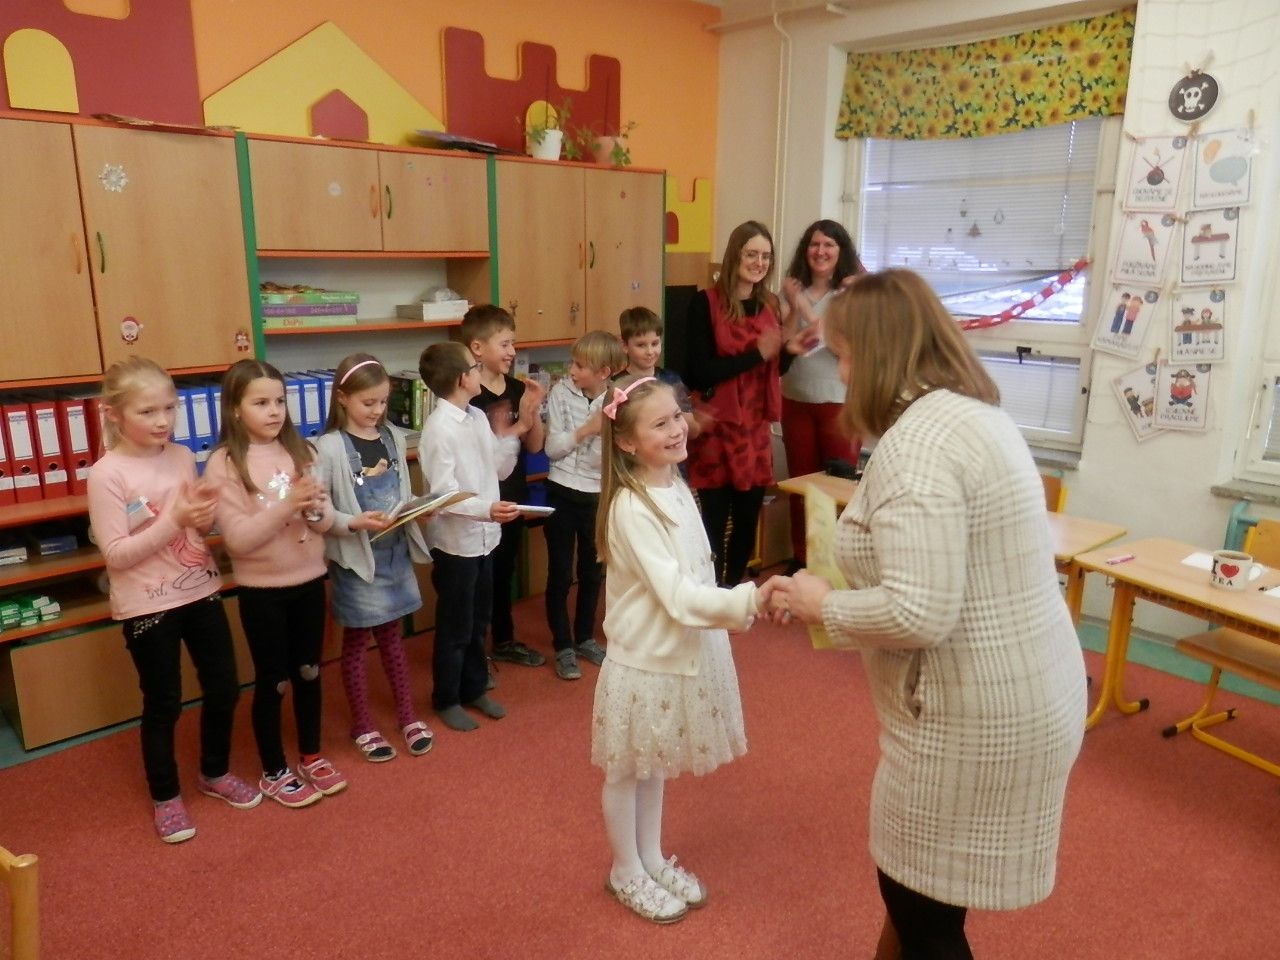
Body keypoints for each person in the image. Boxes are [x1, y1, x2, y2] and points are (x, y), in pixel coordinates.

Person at [768, 269, 1087, 959]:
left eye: (844, 355)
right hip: (1026, 687)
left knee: (922, 910)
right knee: (927, 897)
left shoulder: (918, 447)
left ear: (878, 354)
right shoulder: (972, 414)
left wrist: (824, 604)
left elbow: (919, 612)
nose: (841, 373)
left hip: (973, 712)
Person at [591, 374, 778, 924]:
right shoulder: (632, 507)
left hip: (678, 652)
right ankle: (625, 869)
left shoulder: (674, 484)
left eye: (678, 415)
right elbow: (675, 595)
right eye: (660, 423)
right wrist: (748, 600)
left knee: (654, 765)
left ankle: (650, 858)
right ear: (628, 442)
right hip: (643, 662)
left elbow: (698, 572)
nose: (677, 429)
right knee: (627, 771)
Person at [87, 357, 261, 843]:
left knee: (224, 686)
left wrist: (201, 517)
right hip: (147, 604)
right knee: (163, 702)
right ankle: (166, 797)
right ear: (114, 414)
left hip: (199, 588)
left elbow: (193, 527)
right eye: (147, 412)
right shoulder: (106, 474)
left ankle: (214, 771)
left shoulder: (183, 455)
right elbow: (116, 555)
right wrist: (175, 520)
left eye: (169, 408)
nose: (162, 420)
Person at [205, 359, 346, 808]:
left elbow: (323, 522)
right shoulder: (224, 463)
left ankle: (311, 754)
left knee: (309, 671)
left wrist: (316, 509)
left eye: (279, 401)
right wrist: (288, 505)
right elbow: (238, 540)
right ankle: (273, 769)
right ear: (235, 409)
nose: (274, 411)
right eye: (261, 403)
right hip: (262, 591)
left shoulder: (302, 450)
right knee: (274, 679)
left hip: (310, 580)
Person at [314, 353, 434, 763]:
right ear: (342, 398)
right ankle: (363, 724)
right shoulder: (328, 447)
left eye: (383, 402)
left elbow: (401, 493)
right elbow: (318, 512)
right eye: (368, 403)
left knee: (393, 639)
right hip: (357, 560)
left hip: (394, 553)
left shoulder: (392, 437)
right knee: (356, 644)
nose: (377, 411)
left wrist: (419, 508)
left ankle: (407, 715)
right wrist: (353, 522)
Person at [680, 220, 813, 587]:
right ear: (735, 255)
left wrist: (791, 350)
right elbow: (698, 373)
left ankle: (733, 593)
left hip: (754, 432)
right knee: (713, 523)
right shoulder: (704, 303)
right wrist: (756, 354)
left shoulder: (769, 304)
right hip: (716, 429)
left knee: (746, 520)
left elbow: (773, 368)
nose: (759, 263)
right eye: (752, 254)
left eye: (766, 256)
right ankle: (709, 595)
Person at [419, 341, 536, 730]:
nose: (478, 373)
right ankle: (446, 697)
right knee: (455, 627)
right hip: (457, 544)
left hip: (486, 538)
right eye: (473, 367)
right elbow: (444, 495)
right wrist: (486, 509)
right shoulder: (439, 429)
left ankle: (473, 688)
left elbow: (498, 469)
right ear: (461, 379)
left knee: (477, 621)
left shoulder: (477, 418)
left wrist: (512, 432)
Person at [462, 304, 547, 671]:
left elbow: (535, 446)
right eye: (505, 344)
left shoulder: (517, 389)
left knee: (504, 570)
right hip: (479, 503)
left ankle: (504, 639)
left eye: (513, 343)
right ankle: (473, 652)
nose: (512, 351)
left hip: (512, 496)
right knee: (478, 578)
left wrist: (533, 411)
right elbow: (476, 454)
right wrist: (514, 427)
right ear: (477, 348)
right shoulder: (467, 394)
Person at [778, 219, 865, 573]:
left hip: (839, 404)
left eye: (829, 245)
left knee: (837, 488)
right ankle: (803, 559)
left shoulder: (850, 294)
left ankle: (836, 567)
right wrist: (792, 306)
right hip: (795, 399)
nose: (821, 251)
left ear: (841, 251)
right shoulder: (792, 293)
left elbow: (837, 344)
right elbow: (784, 344)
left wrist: (800, 305)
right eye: (815, 244)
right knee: (801, 487)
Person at [543, 329, 625, 680]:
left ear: (604, 372)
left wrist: (594, 440)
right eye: (572, 363)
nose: (571, 370)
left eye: (580, 365)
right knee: (560, 573)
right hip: (561, 492)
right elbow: (552, 449)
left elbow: (610, 458)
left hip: (597, 496)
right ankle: (563, 645)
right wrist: (588, 429)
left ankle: (585, 638)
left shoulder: (618, 399)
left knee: (592, 571)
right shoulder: (560, 393)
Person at [616, 306, 701, 441]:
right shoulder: (616, 385)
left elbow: (692, 431)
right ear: (625, 346)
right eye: (641, 345)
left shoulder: (672, 380)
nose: (650, 351)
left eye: (655, 343)